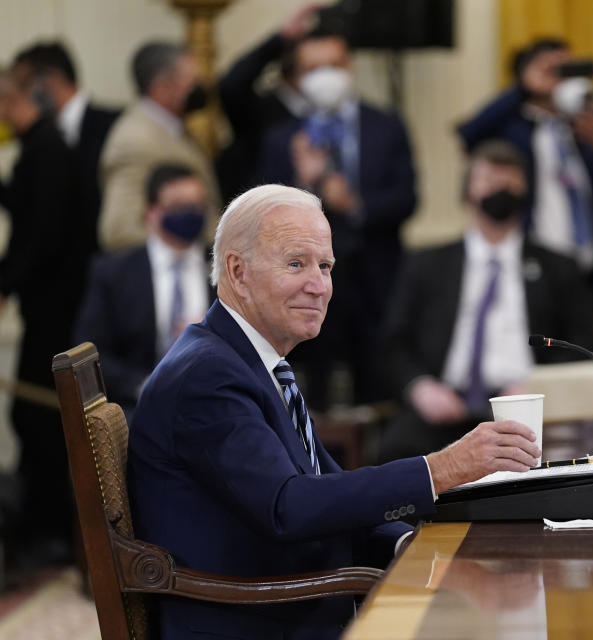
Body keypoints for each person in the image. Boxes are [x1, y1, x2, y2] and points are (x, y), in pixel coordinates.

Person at [127, 183, 540, 639]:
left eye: (325, 266)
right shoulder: (207, 376)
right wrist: (443, 468)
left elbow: (325, 493)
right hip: (259, 621)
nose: (319, 286)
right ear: (237, 271)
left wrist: (409, 543)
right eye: (296, 264)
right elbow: (289, 507)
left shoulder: (250, 360)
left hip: (297, 601)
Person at [378, 141, 593, 462]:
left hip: (529, 412)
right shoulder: (427, 264)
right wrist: (420, 387)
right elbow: (393, 341)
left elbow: (584, 343)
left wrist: (539, 387)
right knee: (394, 453)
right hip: (443, 408)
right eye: (489, 181)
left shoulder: (558, 267)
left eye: (510, 182)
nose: (500, 189)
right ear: (467, 192)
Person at [258, 24, 417, 406]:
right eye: (313, 69)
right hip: (306, 284)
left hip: (376, 278)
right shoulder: (282, 138)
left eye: (333, 63)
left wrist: (354, 206)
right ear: (297, 78)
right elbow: (260, 210)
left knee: (377, 387)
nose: (325, 76)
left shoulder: (386, 124)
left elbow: (407, 199)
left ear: (349, 66)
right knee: (315, 392)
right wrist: (302, 183)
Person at [456, 38, 593, 308]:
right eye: (549, 69)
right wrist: (522, 88)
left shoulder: (586, 125)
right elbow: (469, 135)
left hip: (590, 270)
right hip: (534, 267)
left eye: (565, 69)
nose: (558, 77)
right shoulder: (514, 128)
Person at [0, 69, 84, 566]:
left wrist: (6, 283)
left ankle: (48, 531)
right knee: (27, 416)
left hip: (57, 311)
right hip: (47, 306)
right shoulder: (40, 146)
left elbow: (42, 233)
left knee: (37, 418)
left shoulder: (46, 149)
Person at [74, 164, 214, 417]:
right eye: (179, 206)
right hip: (138, 409)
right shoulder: (115, 272)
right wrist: (146, 386)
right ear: (151, 212)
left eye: (196, 205)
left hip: (215, 406)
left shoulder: (224, 269)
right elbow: (91, 352)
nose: (190, 214)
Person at [99, 41, 220, 251]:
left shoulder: (173, 128)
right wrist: (184, 248)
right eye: (191, 81)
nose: (198, 87)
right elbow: (119, 230)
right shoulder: (135, 141)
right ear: (162, 87)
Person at [12, 41, 119, 256]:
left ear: (50, 80)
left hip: (106, 261)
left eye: (24, 86)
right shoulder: (37, 139)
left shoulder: (114, 125)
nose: (20, 98)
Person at [216, 4, 321, 200]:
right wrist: (280, 39)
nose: (325, 76)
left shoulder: (328, 113)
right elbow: (231, 85)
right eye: (315, 67)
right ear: (290, 68)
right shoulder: (258, 111)